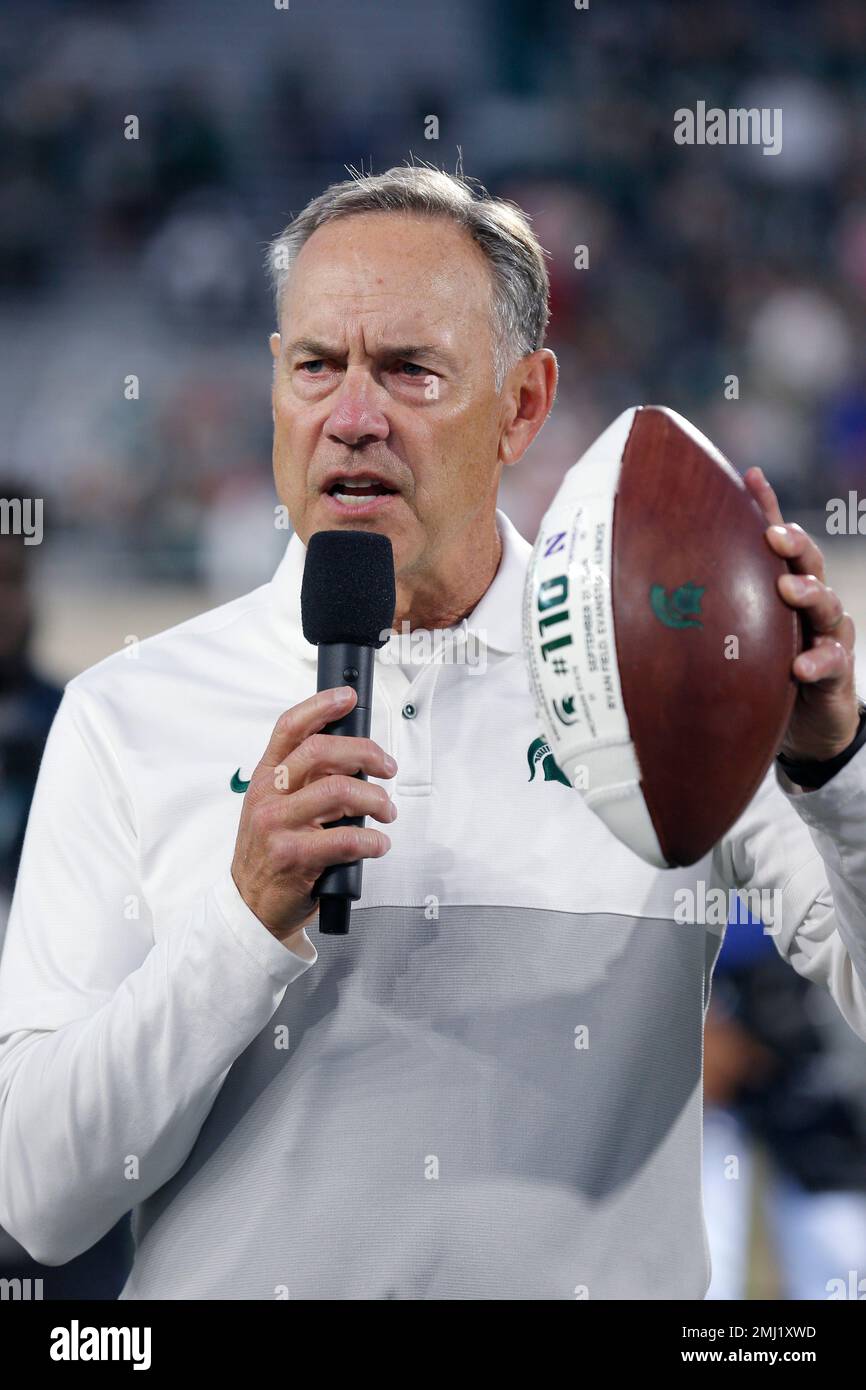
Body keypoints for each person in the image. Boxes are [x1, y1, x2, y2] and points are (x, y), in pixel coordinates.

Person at [0, 165, 864, 1300]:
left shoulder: (664, 677)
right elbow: (36, 1202)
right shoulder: (132, 711)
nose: (352, 417)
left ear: (522, 404)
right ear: (275, 385)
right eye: (317, 366)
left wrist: (831, 768)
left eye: (409, 369)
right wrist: (239, 923)